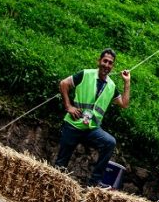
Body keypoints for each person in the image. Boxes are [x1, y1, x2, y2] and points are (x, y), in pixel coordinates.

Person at [55, 49, 131, 186]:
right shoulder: (86, 74)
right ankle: (55, 184)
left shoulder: (111, 86)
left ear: (112, 66)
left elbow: (124, 104)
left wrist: (126, 82)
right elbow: (63, 84)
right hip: (74, 124)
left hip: (91, 129)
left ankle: (94, 182)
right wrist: (68, 106)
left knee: (110, 142)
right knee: (60, 164)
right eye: (105, 61)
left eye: (110, 63)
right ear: (99, 61)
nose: (107, 65)